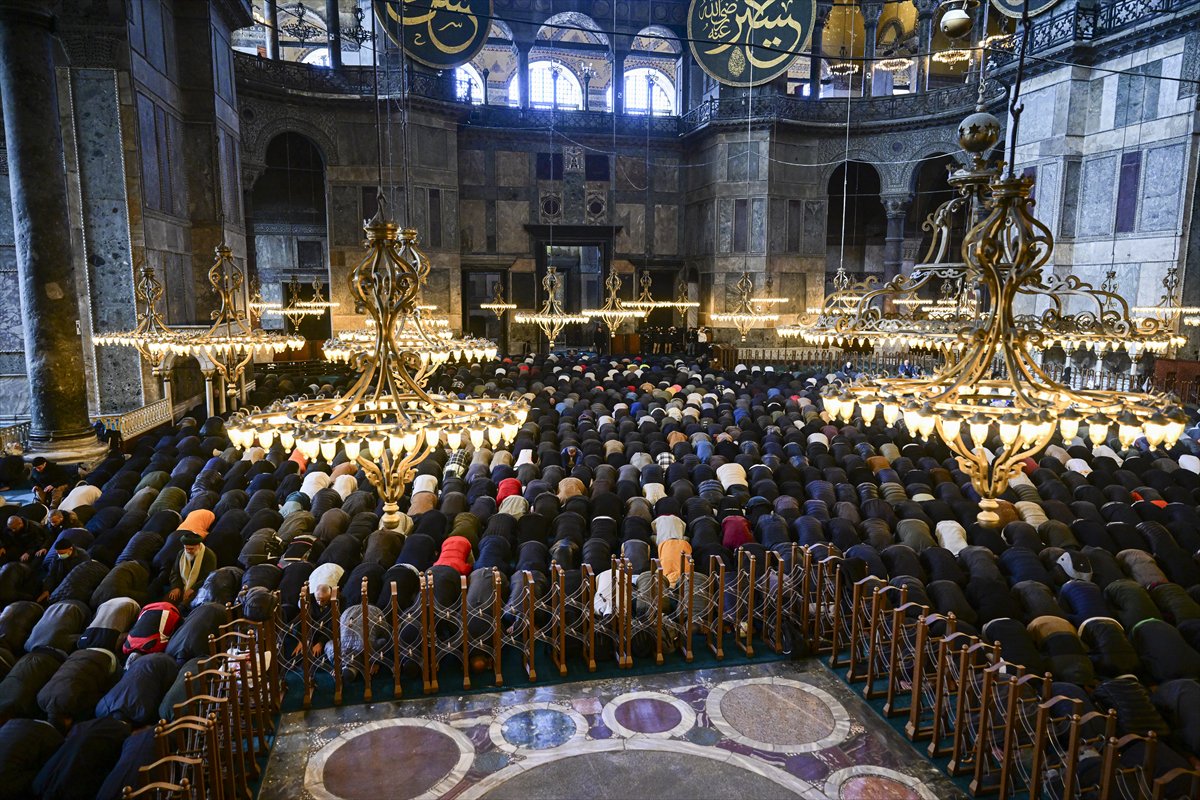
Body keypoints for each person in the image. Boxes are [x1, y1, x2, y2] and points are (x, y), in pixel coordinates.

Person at [166, 531, 215, 607]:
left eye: (191, 549)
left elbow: (208, 578)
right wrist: (176, 587)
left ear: (198, 546)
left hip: (199, 589)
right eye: (186, 548)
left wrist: (193, 589)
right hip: (182, 586)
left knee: (183, 606)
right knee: (168, 602)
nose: (188, 551)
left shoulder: (209, 556)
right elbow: (175, 572)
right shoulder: (181, 553)